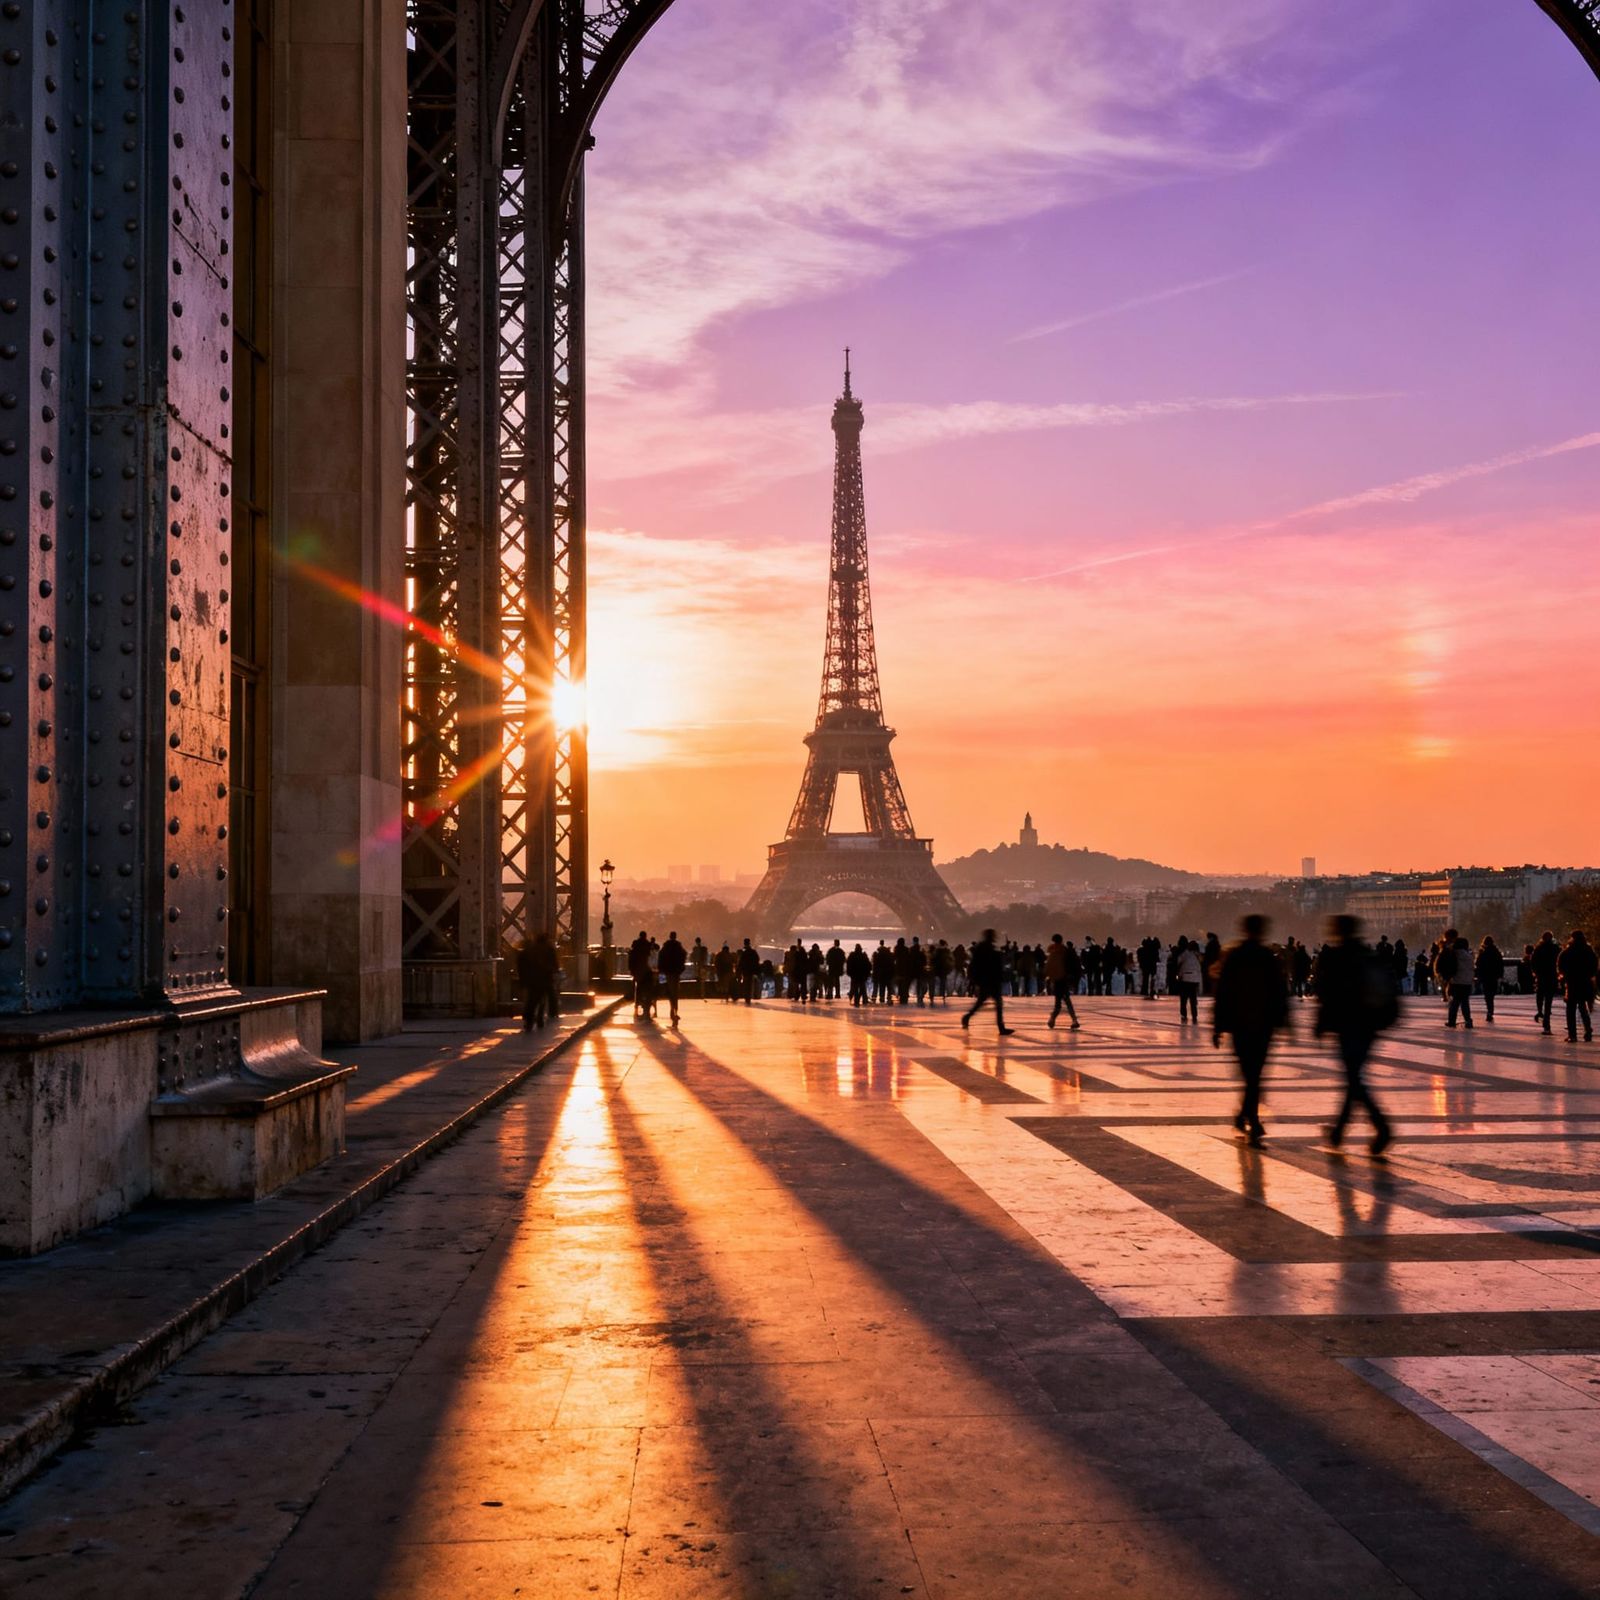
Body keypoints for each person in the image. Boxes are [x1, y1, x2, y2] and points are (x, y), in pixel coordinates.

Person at [1314, 915, 1396, 1156]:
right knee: (1354, 1078)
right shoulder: (1367, 954)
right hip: (1368, 1023)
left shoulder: (1336, 957)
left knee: (1354, 1080)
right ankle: (1341, 1132)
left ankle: (1380, 1127)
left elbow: (1328, 993)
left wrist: (1321, 1023)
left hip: (1347, 1023)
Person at [1212, 914, 1290, 1145]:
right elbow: (1279, 992)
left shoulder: (1235, 956)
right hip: (1262, 1025)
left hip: (1240, 1025)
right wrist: (1284, 1020)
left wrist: (1218, 1027)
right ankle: (1251, 1120)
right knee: (1255, 1076)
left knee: (1251, 1076)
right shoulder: (1268, 957)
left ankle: (1247, 1118)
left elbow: (1223, 993)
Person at [961, 929, 1014, 1035]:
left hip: (986, 980)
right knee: (996, 1003)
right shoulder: (986, 948)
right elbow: (992, 962)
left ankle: (967, 1017)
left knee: (982, 1003)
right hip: (990, 979)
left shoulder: (982, 948)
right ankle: (1001, 1027)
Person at [1558, 929, 1597, 1043]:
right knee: (1583, 1008)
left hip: (1572, 983)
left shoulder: (1568, 951)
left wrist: (1565, 976)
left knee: (1571, 1010)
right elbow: (1594, 966)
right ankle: (1588, 1031)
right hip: (1585, 983)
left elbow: (1560, 966)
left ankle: (1572, 1034)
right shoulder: (1589, 951)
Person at [516, 931, 560, 1031]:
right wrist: (554, 971)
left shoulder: (528, 951)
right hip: (545, 979)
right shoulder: (549, 949)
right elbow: (554, 964)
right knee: (547, 997)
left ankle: (529, 1020)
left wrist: (522, 980)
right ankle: (547, 1015)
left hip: (531, 980)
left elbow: (521, 966)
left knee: (532, 1000)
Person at [1045, 934, 1081, 1030]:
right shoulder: (1065, 951)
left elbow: (1048, 966)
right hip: (1064, 979)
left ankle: (1052, 1020)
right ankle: (1073, 1020)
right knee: (1067, 1001)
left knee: (1058, 1003)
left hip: (1056, 980)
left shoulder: (1052, 952)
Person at [1531, 930, 1560, 1034]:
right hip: (1552, 977)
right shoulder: (1556, 949)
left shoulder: (1538, 949)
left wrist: (1536, 973)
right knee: (1548, 1001)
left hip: (1541, 977)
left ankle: (1540, 1012)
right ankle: (1547, 1023)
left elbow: (1533, 963)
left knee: (1540, 996)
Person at [1445, 935, 1475, 1030]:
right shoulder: (1469, 957)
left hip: (1457, 982)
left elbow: (1450, 967)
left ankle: (1451, 1021)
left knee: (1455, 1003)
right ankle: (1468, 1020)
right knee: (1465, 1003)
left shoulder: (1454, 955)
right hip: (1467, 983)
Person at [658, 929, 687, 1024]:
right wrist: (680, 969)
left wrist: (661, 971)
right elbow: (684, 955)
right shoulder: (679, 947)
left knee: (669, 991)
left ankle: (672, 1010)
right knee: (675, 992)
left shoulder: (665, 947)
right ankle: (674, 1010)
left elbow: (660, 959)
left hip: (667, 973)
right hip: (676, 973)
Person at [1476, 935, 1506, 1024]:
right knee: (1491, 994)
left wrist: (1479, 975)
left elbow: (1478, 964)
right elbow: (1500, 964)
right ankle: (1490, 1010)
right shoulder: (1496, 952)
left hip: (1485, 976)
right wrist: (1500, 974)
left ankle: (1489, 1009)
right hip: (1494, 976)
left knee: (1487, 994)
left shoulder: (1482, 953)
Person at [1174, 937, 1203, 1024]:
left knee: (1184, 998)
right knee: (1193, 998)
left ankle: (1184, 1014)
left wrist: (1178, 975)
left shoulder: (1185, 954)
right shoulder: (1198, 956)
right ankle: (1194, 1014)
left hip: (1185, 978)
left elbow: (1179, 962)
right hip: (1195, 979)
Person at [628, 930, 655, 1019]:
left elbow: (631, 959)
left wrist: (631, 970)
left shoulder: (635, 946)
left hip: (637, 970)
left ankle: (637, 1003)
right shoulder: (647, 945)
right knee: (649, 988)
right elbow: (649, 957)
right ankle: (648, 1003)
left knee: (638, 988)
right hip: (645, 970)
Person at [736, 938, 760, 1004]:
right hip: (751, 970)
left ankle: (747, 997)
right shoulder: (753, 952)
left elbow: (741, 963)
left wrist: (739, 971)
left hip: (745, 971)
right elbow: (757, 960)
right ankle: (748, 997)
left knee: (746, 984)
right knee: (749, 984)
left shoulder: (744, 953)